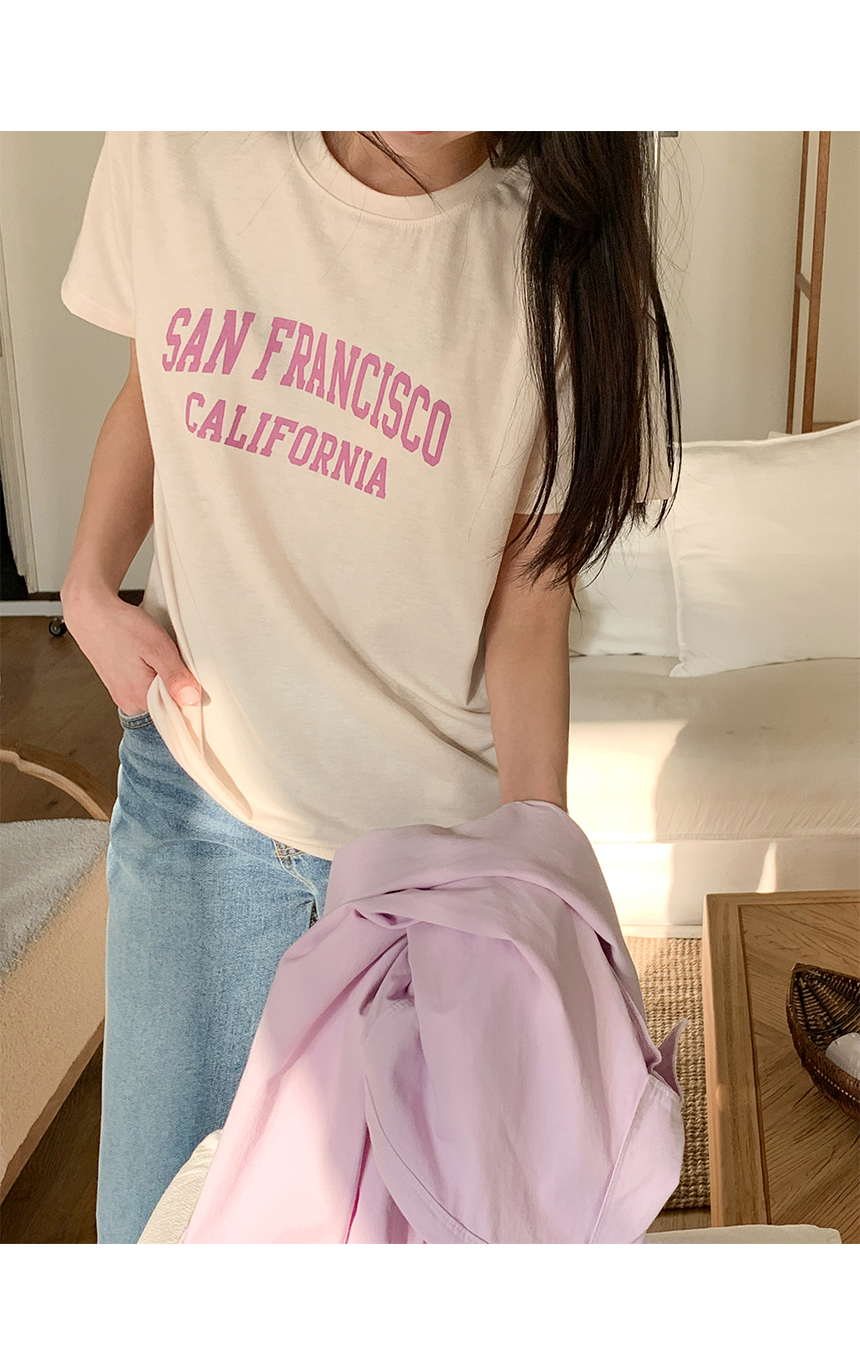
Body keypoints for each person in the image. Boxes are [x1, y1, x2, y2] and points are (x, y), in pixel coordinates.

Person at [59, 130, 682, 1243]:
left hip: (426, 865)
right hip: (199, 805)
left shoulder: (560, 258)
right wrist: (87, 586)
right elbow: (156, 375)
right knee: (149, 1246)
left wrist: (533, 869)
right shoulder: (184, 129)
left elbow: (530, 596)